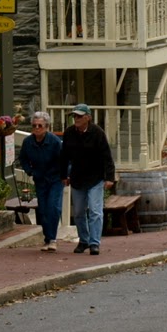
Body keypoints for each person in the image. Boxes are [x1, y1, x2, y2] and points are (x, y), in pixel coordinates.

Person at [61, 103, 114, 255]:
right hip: (77, 178)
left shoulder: (97, 133)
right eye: (74, 116)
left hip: (95, 177)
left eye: (79, 116)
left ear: (88, 117)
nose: (76, 119)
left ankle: (94, 242)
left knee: (95, 211)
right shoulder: (69, 133)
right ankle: (83, 240)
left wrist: (109, 177)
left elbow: (107, 156)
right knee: (78, 212)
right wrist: (63, 175)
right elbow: (64, 156)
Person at [18, 111, 66, 251]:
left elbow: (65, 160)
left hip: (55, 178)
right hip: (40, 179)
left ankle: (53, 239)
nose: (37, 128)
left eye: (40, 125)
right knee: (43, 209)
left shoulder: (55, 142)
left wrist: (65, 175)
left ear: (47, 127)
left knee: (53, 207)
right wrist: (30, 171)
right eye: (34, 125)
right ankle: (47, 239)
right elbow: (23, 158)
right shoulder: (28, 142)